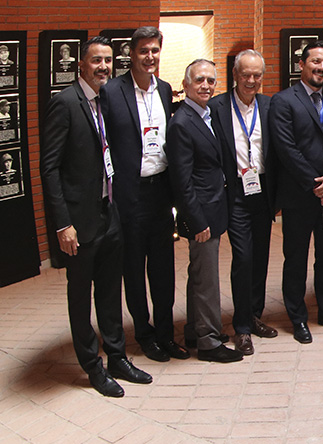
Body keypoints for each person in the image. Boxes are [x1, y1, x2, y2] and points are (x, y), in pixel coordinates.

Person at [40, 36, 151, 398]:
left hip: (109, 213)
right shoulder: (65, 103)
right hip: (79, 222)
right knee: (80, 295)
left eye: (108, 60)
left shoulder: (104, 99)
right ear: (80, 66)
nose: (104, 66)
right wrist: (62, 224)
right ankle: (92, 365)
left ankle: (117, 356)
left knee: (108, 291)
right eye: (96, 61)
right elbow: (50, 169)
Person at [100, 26, 187, 362]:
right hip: (129, 194)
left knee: (163, 268)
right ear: (131, 54)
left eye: (155, 51)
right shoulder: (111, 91)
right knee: (133, 269)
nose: (150, 57)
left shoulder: (165, 90)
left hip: (160, 192)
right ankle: (144, 333)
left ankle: (166, 333)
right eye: (143, 51)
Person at [270, 40, 323, 344]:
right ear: (301, 65)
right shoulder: (283, 101)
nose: (320, 67)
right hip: (299, 196)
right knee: (295, 258)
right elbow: (286, 149)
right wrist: (317, 184)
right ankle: (297, 317)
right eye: (315, 61)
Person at [166, 59, 242, 363]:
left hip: (213, 207)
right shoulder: (182, 122)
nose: (206, 86)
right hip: (201, 215)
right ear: (185, 85)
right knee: (207, 279)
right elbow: (181, 181)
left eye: (211, 81)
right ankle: (209, 342)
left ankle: (196, 331)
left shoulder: (207, 115)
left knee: (198, 274)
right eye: (199, 80)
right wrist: (196, 220)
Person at [207, 49, 278, 355]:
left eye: (257, 75)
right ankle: (241, 327)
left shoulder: (269, 105)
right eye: (246, 74)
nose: (252, 80)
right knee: (244, 256)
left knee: (260, 256)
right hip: (234, 192)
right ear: (234, 75)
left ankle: (255, 314)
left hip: (262, 190)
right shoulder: (216, 107)